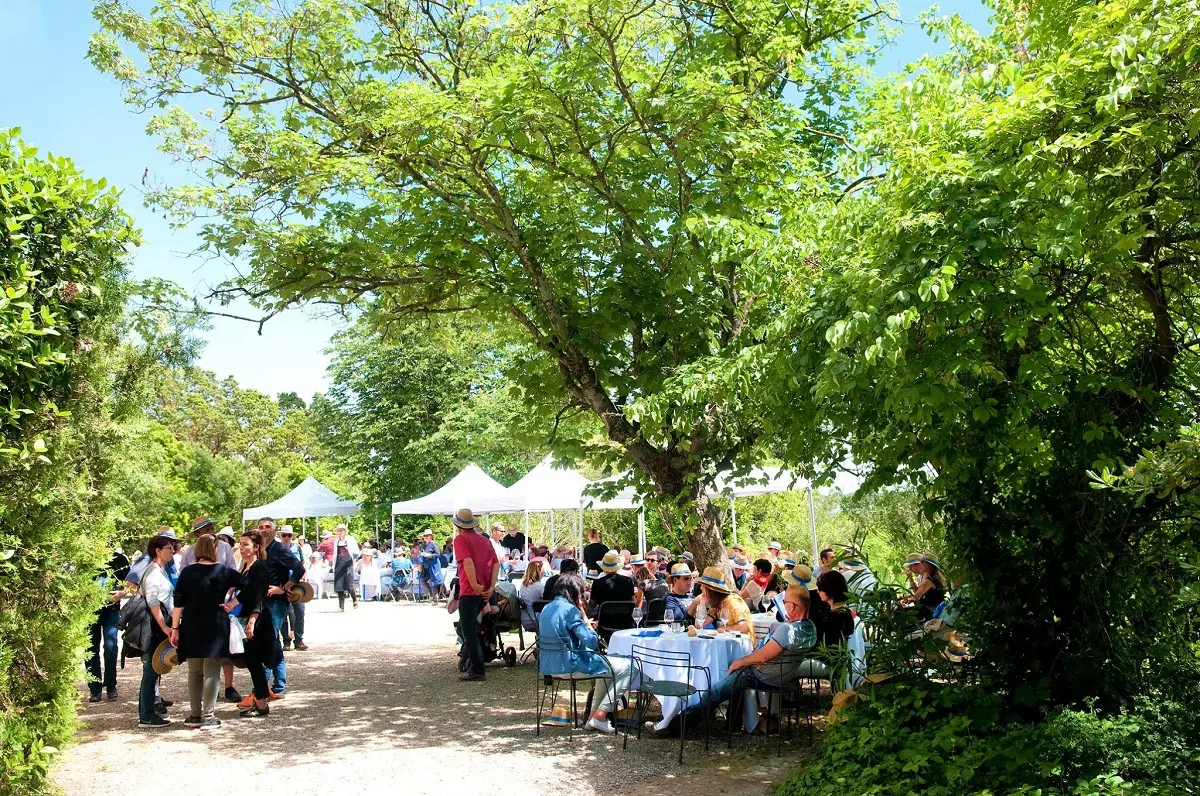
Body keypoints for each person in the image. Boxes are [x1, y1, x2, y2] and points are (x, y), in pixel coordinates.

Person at [650, 585, 816, 736]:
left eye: (785, 601)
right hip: (782, 677)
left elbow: (763, 656)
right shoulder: (810, 628)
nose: (782, 604)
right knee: (730, 677)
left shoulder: (786, 630)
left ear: (793, 606)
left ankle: (676, 726)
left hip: (762, 675)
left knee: (716, 690)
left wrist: (741, 662)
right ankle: (732, 723)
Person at [538, 572, 636, 735]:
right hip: (570, 664)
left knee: (604, 673)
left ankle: (593, 718)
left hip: (549, 665)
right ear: (575, 592)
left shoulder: (547, 608)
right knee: (630, 667)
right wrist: (588, 624)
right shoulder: (570, 610)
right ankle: (601, 714)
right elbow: (590, 642)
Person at [170, 533, 243, 730]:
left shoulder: (187, 573)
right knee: (211, 671)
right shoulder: (225, 572)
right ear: (214, 549)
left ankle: (194, 715)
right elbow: (250, 586)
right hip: (216, 624)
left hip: (191, 624)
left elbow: (178, 603)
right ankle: (208, 716)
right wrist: (233, 602)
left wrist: (174, 628)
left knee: (194, 672)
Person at [229, 529, 284, 716]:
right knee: (252, 662)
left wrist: (251, 620)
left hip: (258, 620)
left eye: (246, 544)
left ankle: (261, 704)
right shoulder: (245, 566)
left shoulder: (259, 567)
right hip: (245, 618)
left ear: (256, 547)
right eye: (241, 544)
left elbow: (256, 595)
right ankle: (261, 702)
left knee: (254, 661)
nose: (242, 548)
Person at [451, 508, 499, 681]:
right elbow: (495, 564)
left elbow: (468, 562)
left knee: (468, 630)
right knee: (475, 628)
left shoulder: (460, 539)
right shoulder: (485, 541)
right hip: (484, 590)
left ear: (459, 526)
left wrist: (474, 585)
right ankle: (477, 662)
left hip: (470, 590)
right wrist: (491, 587)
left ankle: (478, 669)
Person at [260, 517, 305, 694]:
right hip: (263, 601)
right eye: (261, 527)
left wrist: (284, 587)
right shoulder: (261, 548)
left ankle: (260, 690)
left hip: (277, 602)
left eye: (267, 527)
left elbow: (299, 568)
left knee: (268, 642)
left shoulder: (279, 549)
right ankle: (279, 686)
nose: (264, 530)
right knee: (275, 643)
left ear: (274, 529)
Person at [137, 536, 175, 728]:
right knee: (151, 670)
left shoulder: (160, 570)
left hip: (158, 625)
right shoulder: (153, 572)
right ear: (158, 551)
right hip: (154, 626)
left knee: (153, 670)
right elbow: (152, 601)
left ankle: (148, 711)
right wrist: (165, 627)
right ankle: (146, 715)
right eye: (169, 548)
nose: (172, 551)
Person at [87, 549, 130, 703]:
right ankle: (94, 688)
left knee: (111, 648)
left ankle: (111, 685)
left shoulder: (119, 559)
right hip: (89, 610)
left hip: (111, 610)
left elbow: (132, 585)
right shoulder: (85, 557)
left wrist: (121, 594)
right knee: (91, 649)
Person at [687, 567, 755, 643]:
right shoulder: (717, 603)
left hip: (742, 645)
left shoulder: (733, 600)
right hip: (727, 642)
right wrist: (702, 604)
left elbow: (744, 626)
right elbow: (699, 625)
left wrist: (724, 628)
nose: (701, 588)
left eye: (703, 586)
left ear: (711, 590)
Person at [587, 550, 636, 636]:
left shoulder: (598, 583)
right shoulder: (628, 581)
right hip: (626, 622)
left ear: (604, 568)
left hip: (605, 623)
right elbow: (633, 602)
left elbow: (592, 604)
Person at [276, 525, 308, 652]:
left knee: (299, 612)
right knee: (283, 613)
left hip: (296, 584)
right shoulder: (277, 549)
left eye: (289, 535)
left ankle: (299, 639)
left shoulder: (297, 547)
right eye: (284, 535)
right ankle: (286, 641)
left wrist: (302, 577)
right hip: (282, 584)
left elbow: (302, 563)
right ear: (280, 536)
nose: (286, 538)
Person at [900, 553, 947, 621]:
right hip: (931, 609)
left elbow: (915, 596)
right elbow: (918, 593)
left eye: (921, 563)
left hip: (931, 611)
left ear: (927, 565)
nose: (920, 565)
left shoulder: (928, 581)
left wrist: (903, 598)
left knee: (899, 612)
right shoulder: (933, 577)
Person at [814, 570, 855, 647]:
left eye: (820, 589)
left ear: (829, 591)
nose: (818, 592)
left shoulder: (837, 617)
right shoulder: (845, 611)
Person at [332, 523, 361, 610]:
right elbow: (334, 555)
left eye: (341, 530)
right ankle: (341, 607)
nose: (340, 532)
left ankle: (354, 599)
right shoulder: (336, 541)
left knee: (349, 586)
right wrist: (333, 566)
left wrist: (350, 549)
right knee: (339, 586)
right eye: (338, 531)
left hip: (348, 563)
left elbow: (357, 552)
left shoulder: (350, 539)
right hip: (339, 564)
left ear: (345, 532)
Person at [518, 559, 547, 631]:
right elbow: (546, 601)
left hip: (525, 619)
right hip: (536, 620)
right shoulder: (539, 586)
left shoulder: (523, 585)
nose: (544, 572)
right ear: (539, 571)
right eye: (543, 570)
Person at [418, 529, 444, 603]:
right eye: (424, 536)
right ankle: (431, 594)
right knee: (423, 580)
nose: (425, 537)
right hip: (426, 566)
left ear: (431, 536)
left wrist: (430, 555)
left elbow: (438, 555)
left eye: (427, 535)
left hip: (433, 565)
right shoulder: (423, 545)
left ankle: (435, 599)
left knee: (433, 582)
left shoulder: (433, 544)